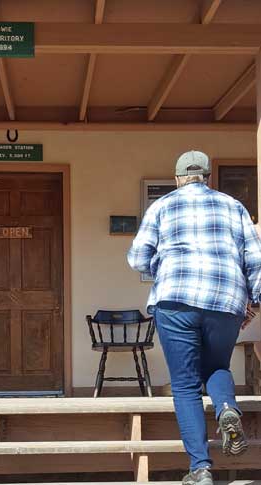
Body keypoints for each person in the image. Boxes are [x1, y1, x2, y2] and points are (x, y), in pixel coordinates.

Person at [127, 150, 261, 485]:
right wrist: (253, 302)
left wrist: (164, 265)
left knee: (185, 385)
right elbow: (254, 259)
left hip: (175, 299)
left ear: (177, 178)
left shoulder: (161, 205)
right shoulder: (234, 206)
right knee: (218, 366)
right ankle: (227, 409)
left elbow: (138, 259)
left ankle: (200, 469)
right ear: (206, 177)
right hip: (224, 299)